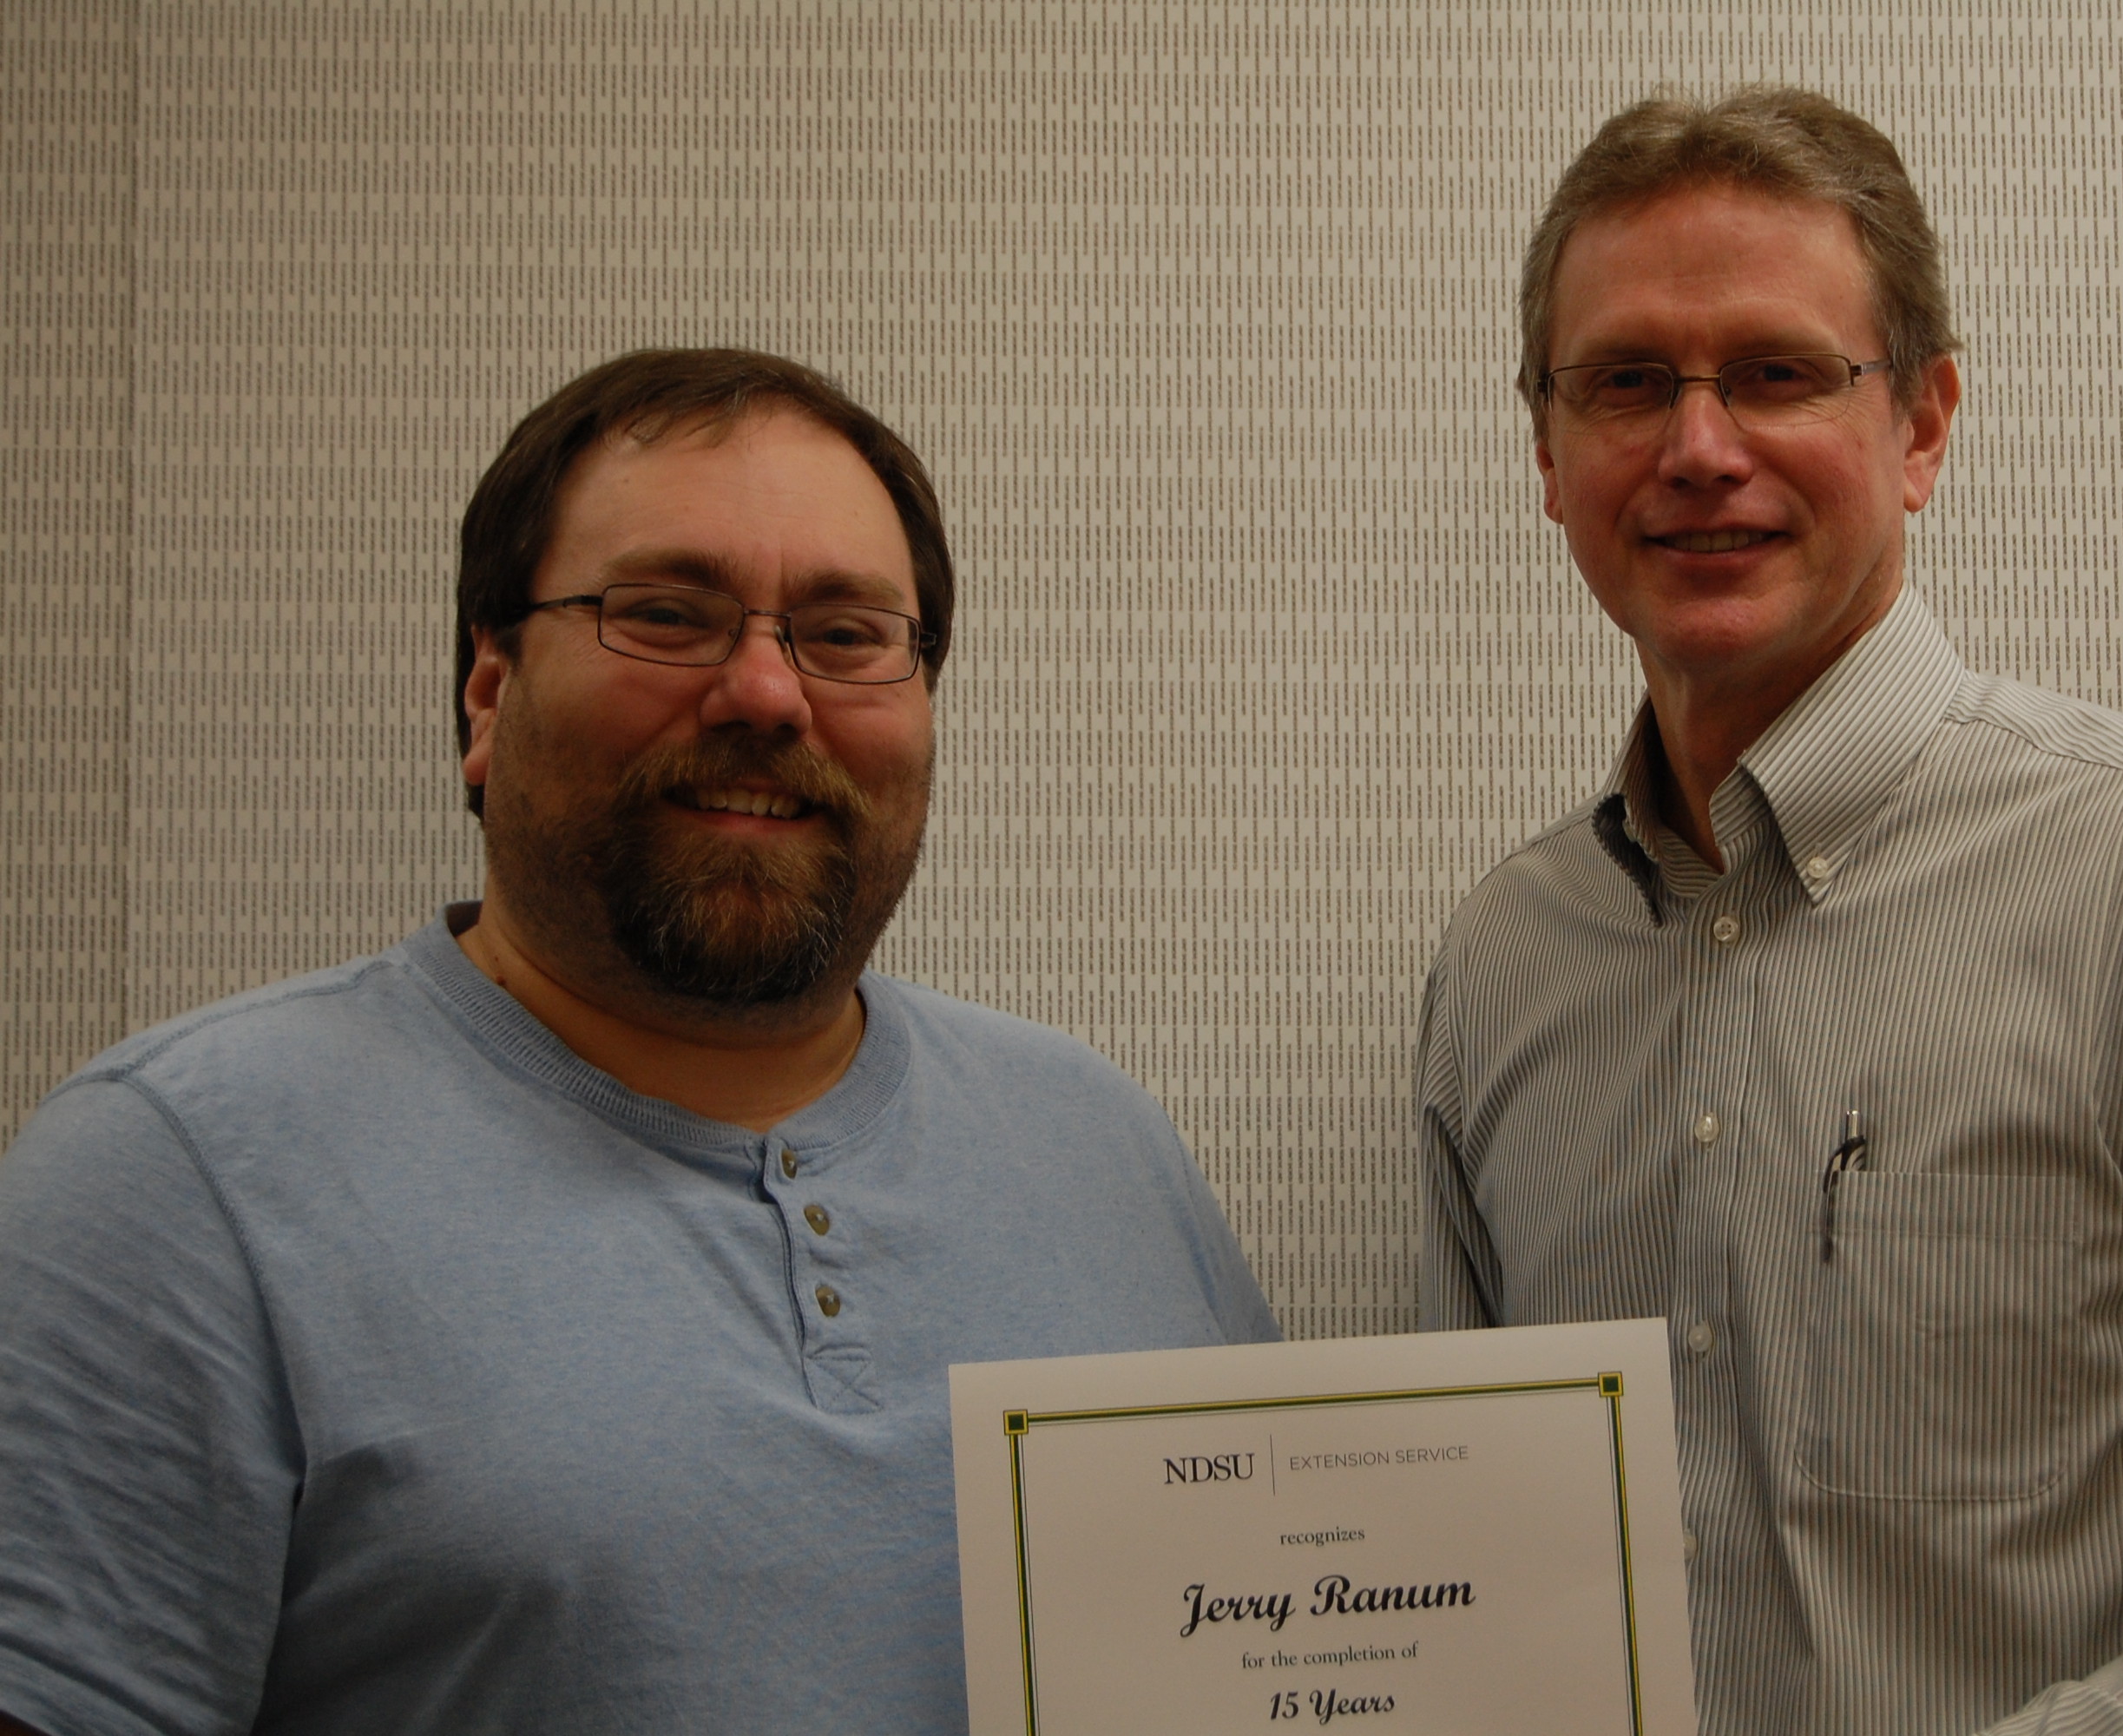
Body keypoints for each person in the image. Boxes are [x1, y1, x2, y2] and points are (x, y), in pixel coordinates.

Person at [1417, 87, 2123, 1735]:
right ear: (1548, 447)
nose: (1698, 447)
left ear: (1925, 423)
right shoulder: (1505, 964)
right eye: (1628, 383)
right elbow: (1478, 1566)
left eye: (1780, 373)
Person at [0, 348, 1278, 1736]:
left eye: (846, 634)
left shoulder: (1104, 1146)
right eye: (667, 614)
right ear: (488, 695)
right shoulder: (169, 1182)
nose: (768, 695)